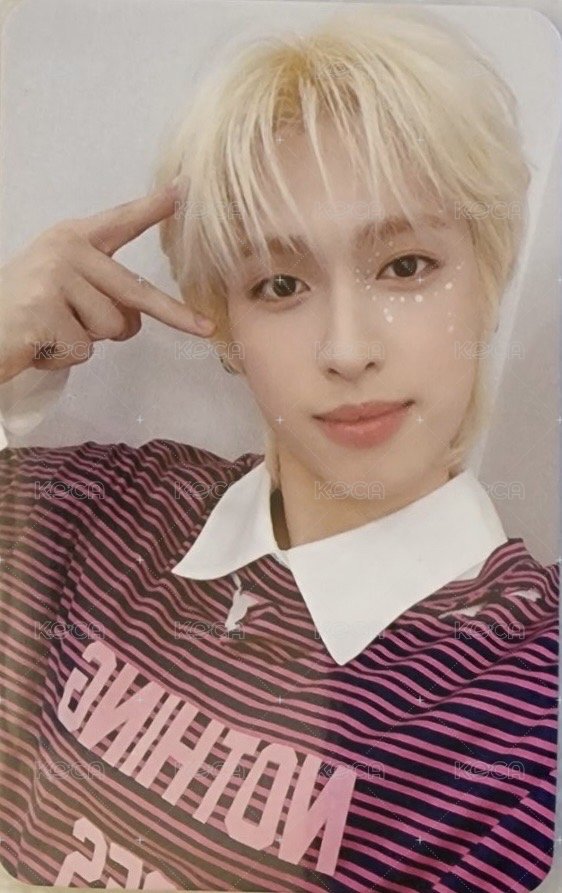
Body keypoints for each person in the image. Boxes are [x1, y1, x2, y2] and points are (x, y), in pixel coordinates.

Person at [0, 6, 558, 892]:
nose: (348, 349)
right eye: (281, 283)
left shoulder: (530, 691)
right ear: (224, 324)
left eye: (406, 266)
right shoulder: (97, 509)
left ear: (487, 281)